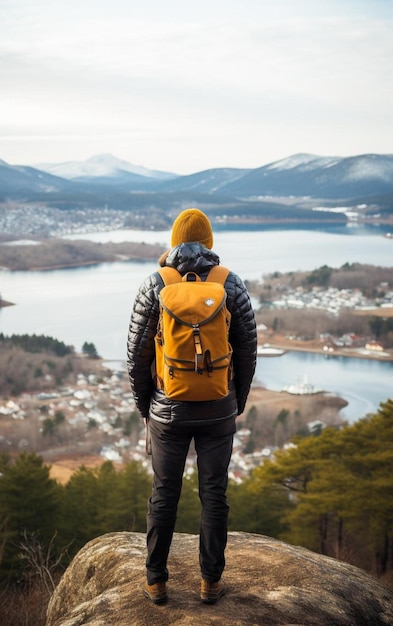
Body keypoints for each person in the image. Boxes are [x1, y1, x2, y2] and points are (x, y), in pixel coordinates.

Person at [127, 208, 257, 605]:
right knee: (214, 494)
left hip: (168, 409)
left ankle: (155, 581)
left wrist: (146, 406)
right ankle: (210, 582)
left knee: (164, 493)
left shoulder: (156, 284)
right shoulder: (229, 284)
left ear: (173, 241)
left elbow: (135, 355)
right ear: (209, 241)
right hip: (219, 406)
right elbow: (248, 350)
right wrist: (236, 401)